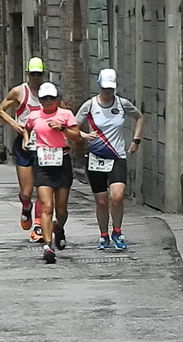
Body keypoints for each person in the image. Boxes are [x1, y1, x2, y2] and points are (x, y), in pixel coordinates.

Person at [75, 68, 144, 250]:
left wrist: (136, 140)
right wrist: (84, 135)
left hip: (117, 156)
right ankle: (103, 234)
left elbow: (139, 117)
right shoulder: (90, 105)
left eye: (111, 88)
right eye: (105, 88)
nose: (108, 92)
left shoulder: (122, 104)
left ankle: (117, 231)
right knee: (101, 201)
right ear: (99, 86)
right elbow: (72, 128)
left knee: (118, 196)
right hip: (95, 158)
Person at [23, 82, 81, 263]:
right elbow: (27, 129)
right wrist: (26, 141)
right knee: (47, 206)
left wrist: (62, 128)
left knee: (61, 209)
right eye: (44, 99)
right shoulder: (34, 116)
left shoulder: (65, 114)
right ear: (39, 100)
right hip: (42, 163)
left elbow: (77, 136)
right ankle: (48, 246)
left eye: (51, 98)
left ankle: (59, 228)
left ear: (57, 99)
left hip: (61, 161)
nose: (48, 102)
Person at [0, 56, 46, 241]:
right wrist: (14, 124)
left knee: (43, 187)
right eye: (32, 74)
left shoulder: (47, 92)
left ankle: (39, 225)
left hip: (43, 143)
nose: (35, 78)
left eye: (38, 74)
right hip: (24, 144)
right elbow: (0, 110)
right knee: (27, 191)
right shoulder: (19, 91)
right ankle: (26, 206)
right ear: (27, 73)